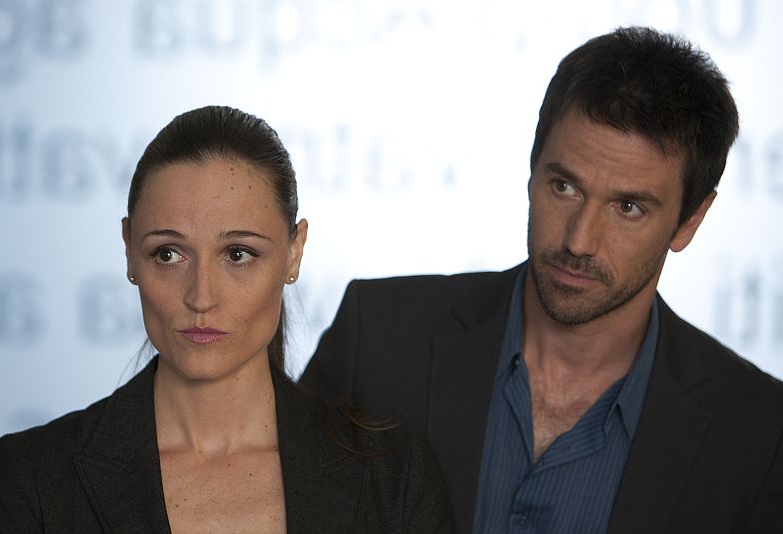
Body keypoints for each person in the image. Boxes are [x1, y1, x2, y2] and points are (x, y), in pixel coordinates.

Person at [300, 27, 783, 534]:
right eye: (564, 186)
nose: (579, 241)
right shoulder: (379, 336)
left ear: (690, 220)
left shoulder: (758, 434)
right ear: (532, 170)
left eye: (628, 207)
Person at [0, 106, 455, 533]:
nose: (201, 297)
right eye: (168, 254)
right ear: (128, 251)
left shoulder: (395, 478)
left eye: (238, 254)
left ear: (294, 252)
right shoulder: (32, 478)